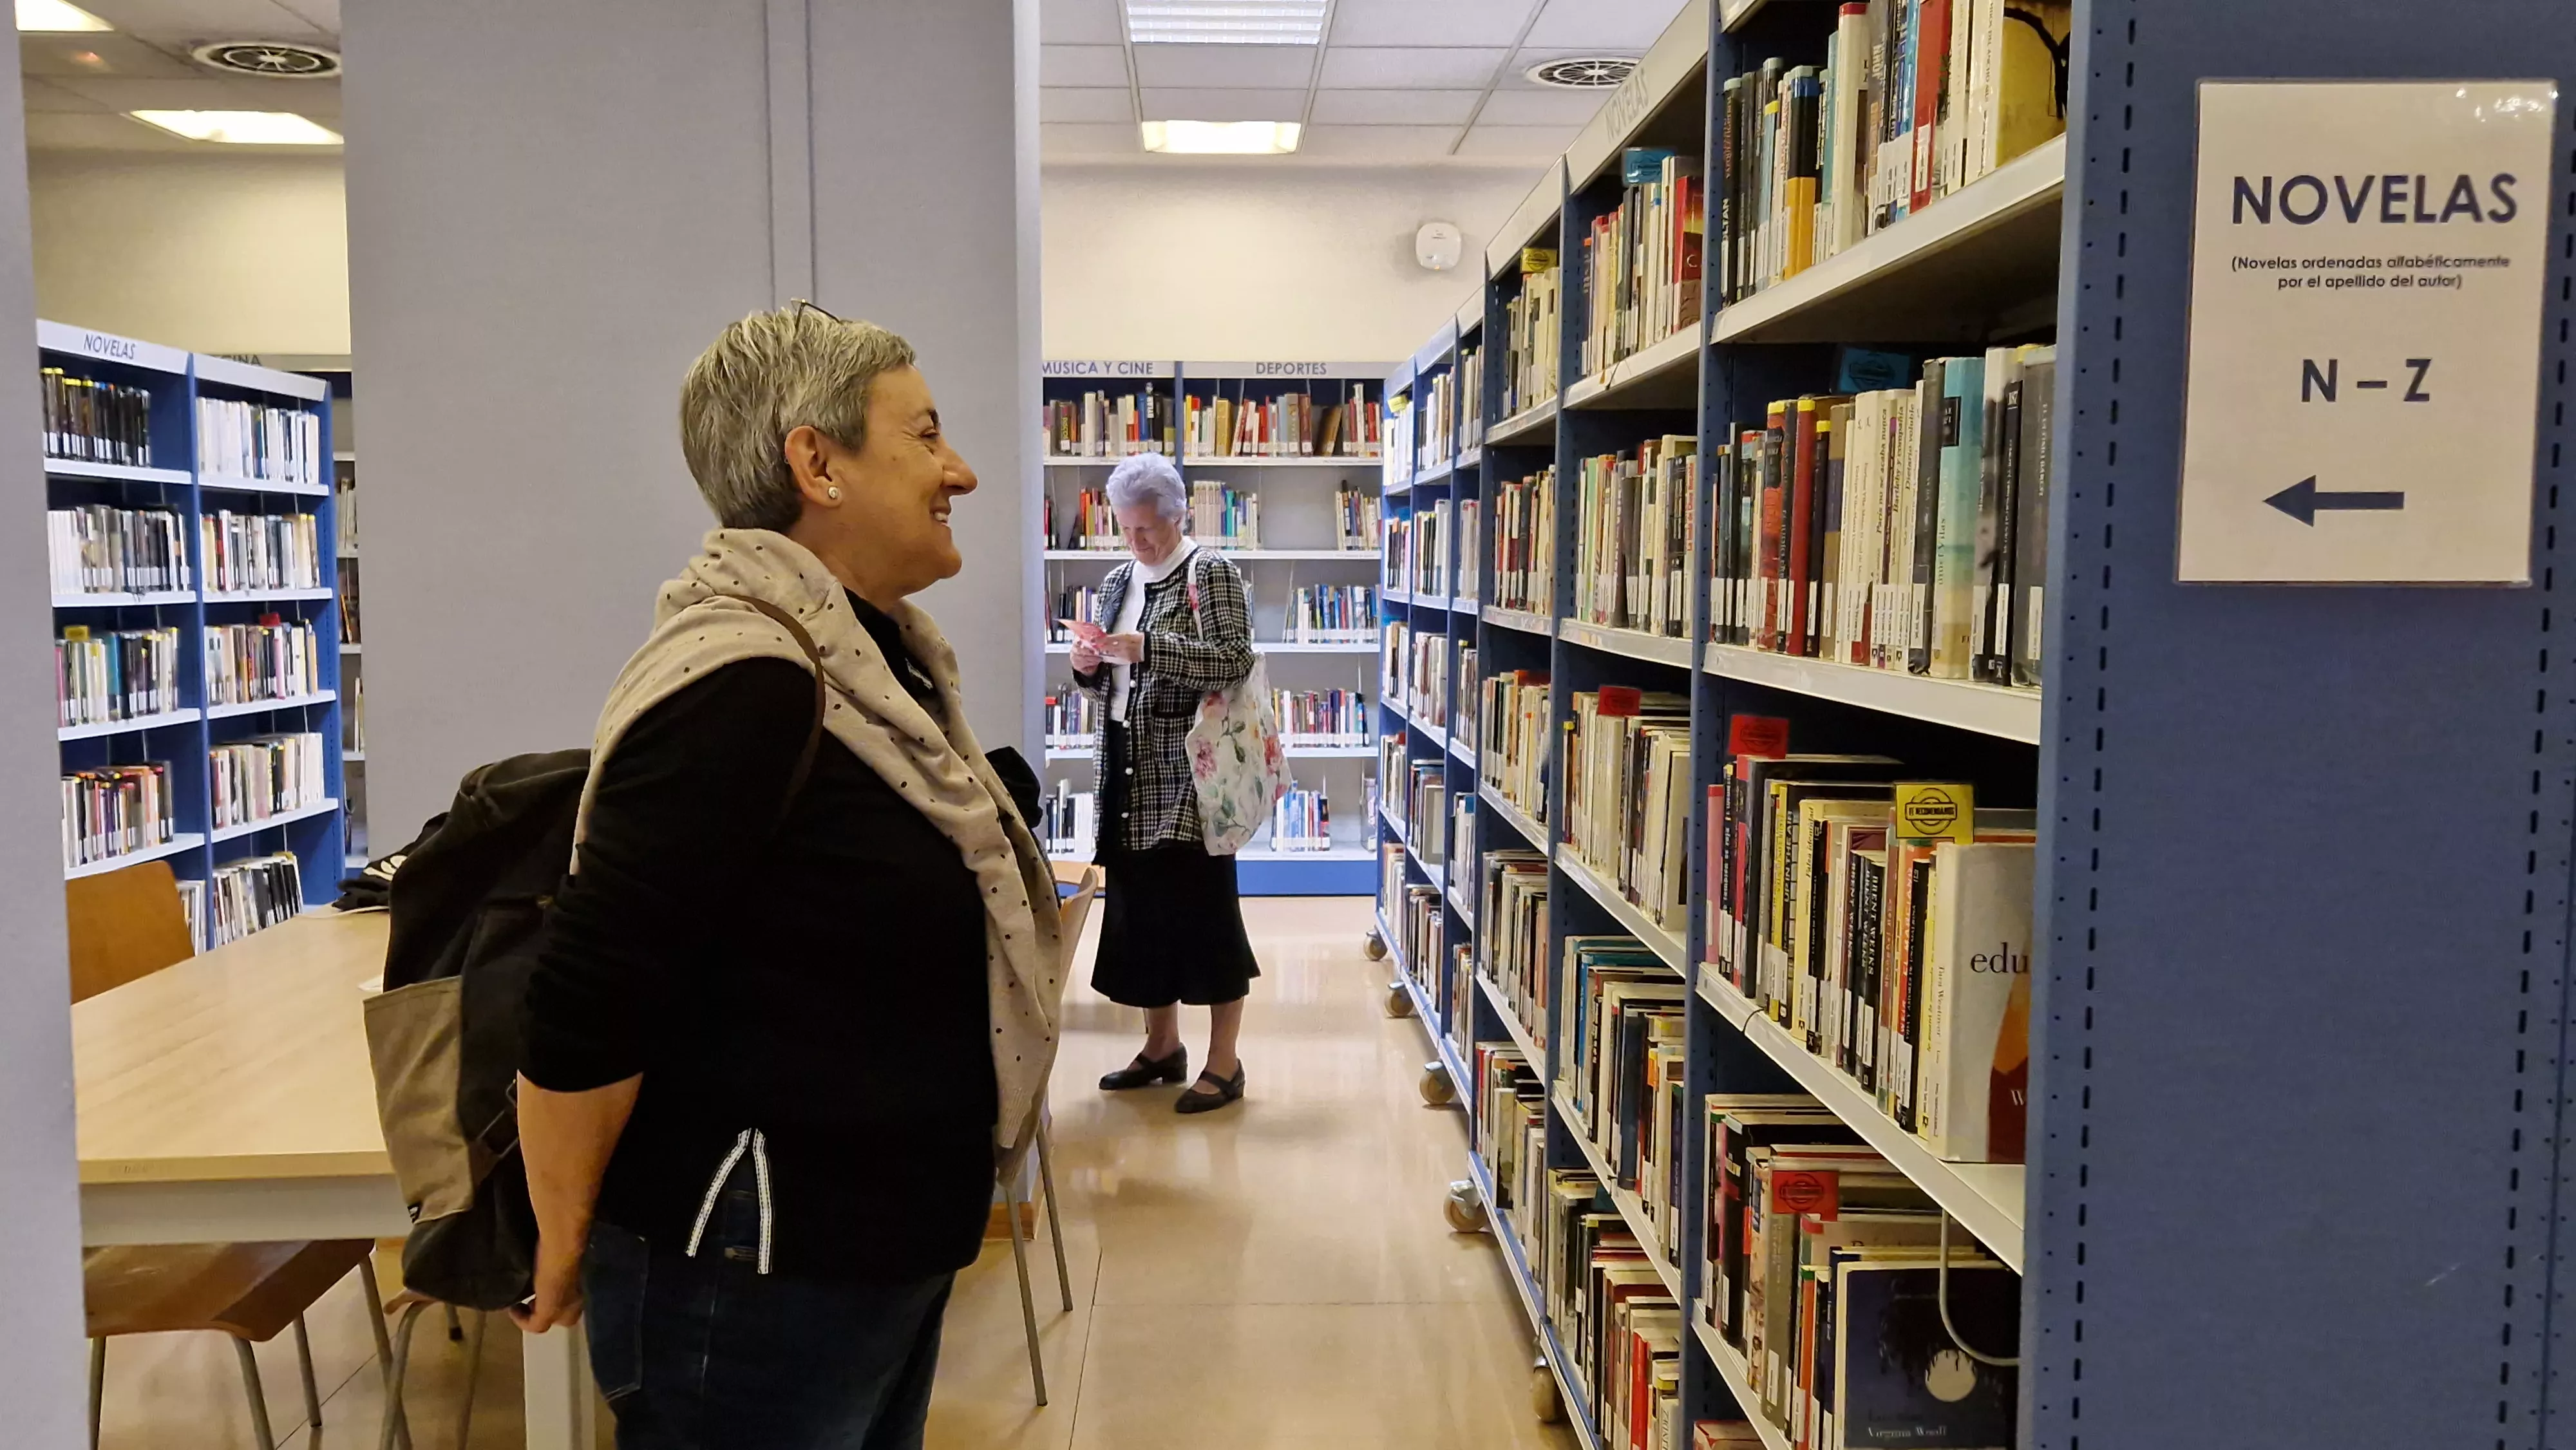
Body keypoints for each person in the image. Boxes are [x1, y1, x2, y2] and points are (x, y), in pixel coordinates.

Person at [509, 303, 1064, 1450]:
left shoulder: (881, 663)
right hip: (753, 1274)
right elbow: (587, 994)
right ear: (816, 459)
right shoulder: (746, 679)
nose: (958, 469)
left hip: (874, 1249)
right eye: (922, 435)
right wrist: (561, 1234)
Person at [1070, 451, 1261, 1113]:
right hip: (1124, 760)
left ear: (1177, 516)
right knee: (1139, 910)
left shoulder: (1210, 573)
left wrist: (1152, 649)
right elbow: (1107, 685)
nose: (1136, 540)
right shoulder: (1118, 578)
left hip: (1189, 770)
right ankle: (1161, 1046)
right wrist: (1087, 664)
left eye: (1147, 527)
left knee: (1202, 911)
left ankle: (1224, 1061)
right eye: (1126, 527)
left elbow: (1235, 659)